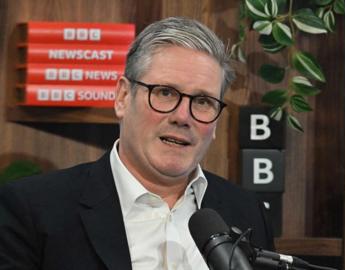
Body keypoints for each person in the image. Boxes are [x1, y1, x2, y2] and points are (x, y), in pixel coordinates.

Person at [0, 17, 274, 270]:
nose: (182, 117)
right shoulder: (31, 209)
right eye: (165, 93)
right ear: (122, 97)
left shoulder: (247, 212)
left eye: (203, 101)